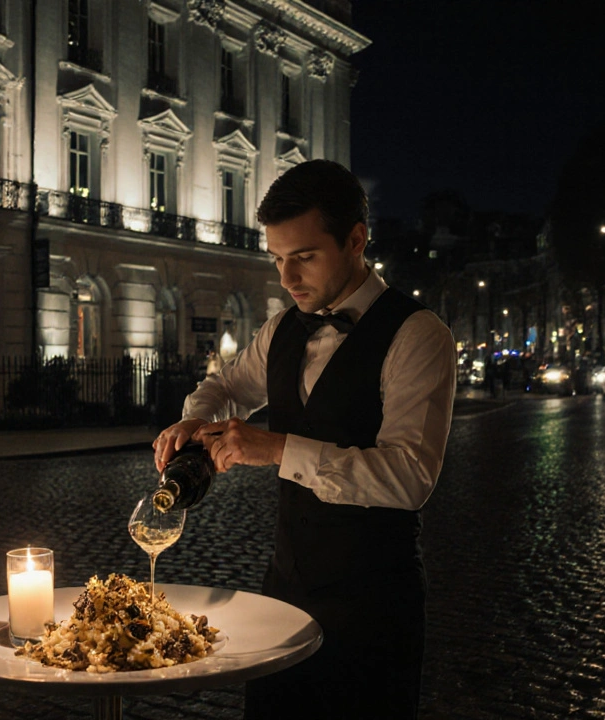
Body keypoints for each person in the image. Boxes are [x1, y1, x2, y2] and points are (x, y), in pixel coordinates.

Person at [152, 159, 456, 719]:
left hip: (373, 602)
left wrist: (276, 449)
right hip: (285, 586)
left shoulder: (418, 335)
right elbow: (227, 385)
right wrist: (193, 419)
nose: (287, 279)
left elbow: (410, 478)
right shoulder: (280, 328)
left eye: (305, 257)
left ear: (357, 239)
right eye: (277, 260)